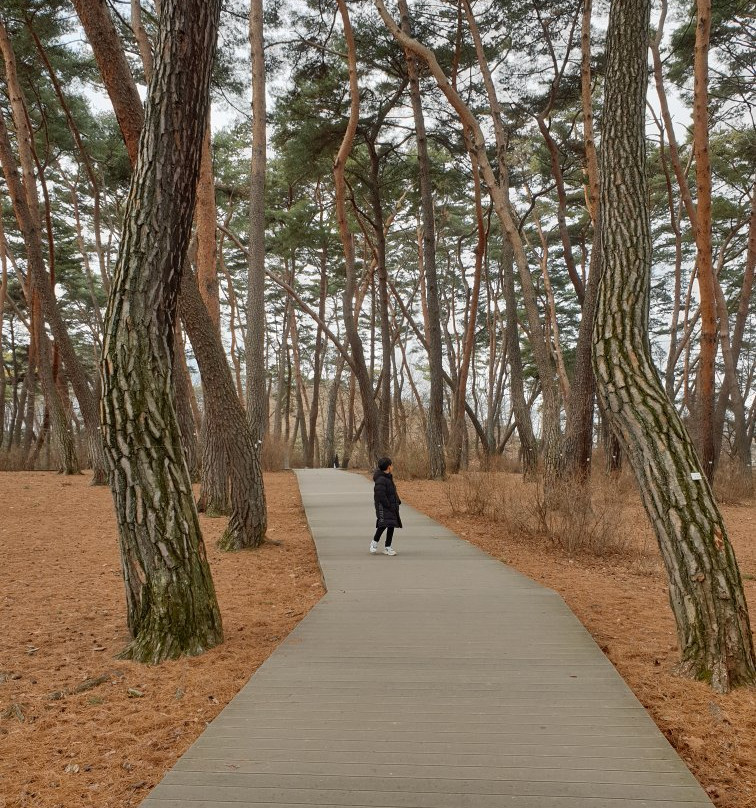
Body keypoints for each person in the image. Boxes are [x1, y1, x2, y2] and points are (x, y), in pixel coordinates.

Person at [370, 457, 402, 556]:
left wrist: (397, 500)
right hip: (383, 507)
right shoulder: (381, 479)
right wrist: (388, 505)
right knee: (383, 524)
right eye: (391, 465)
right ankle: (374, 542)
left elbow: (392, 492)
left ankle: (388, 547)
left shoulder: (388, 477)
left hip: (392, 505)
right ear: (388, 467)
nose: (392, 466)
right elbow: (380, 495)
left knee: (391, 525)